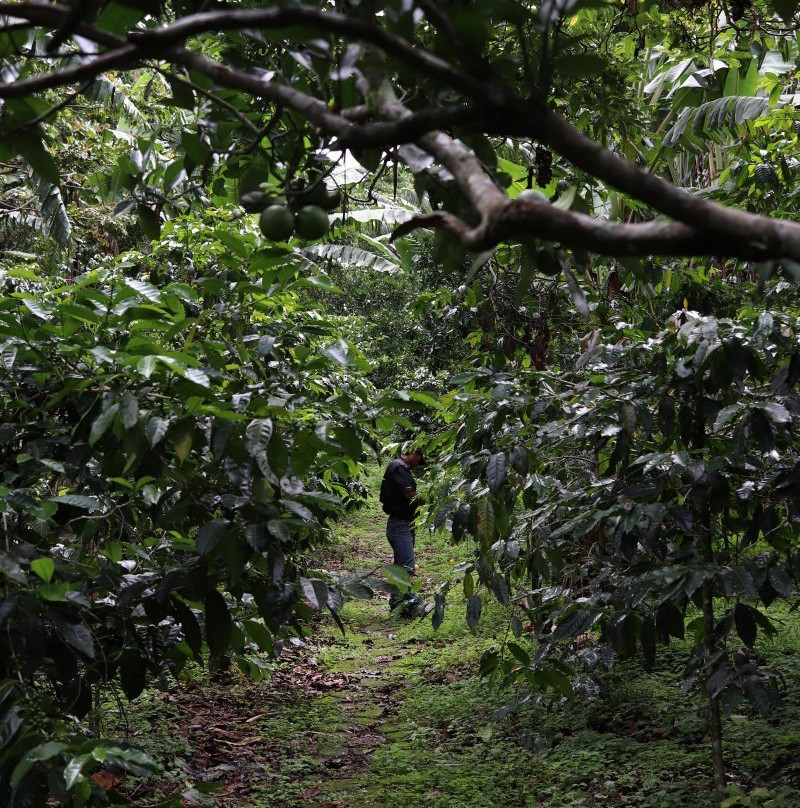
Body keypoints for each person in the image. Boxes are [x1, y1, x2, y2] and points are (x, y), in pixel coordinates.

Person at [379, 447, 425, 615]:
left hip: (402, 524)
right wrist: (430, 497)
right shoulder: (399, 467)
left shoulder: (400, 467)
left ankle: (398, 603)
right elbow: (410, 495)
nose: (418, 465)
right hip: (400, 525)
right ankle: (410, 604)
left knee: (401, 567)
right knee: (406, 567)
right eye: (419, 460)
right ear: (414, 453)